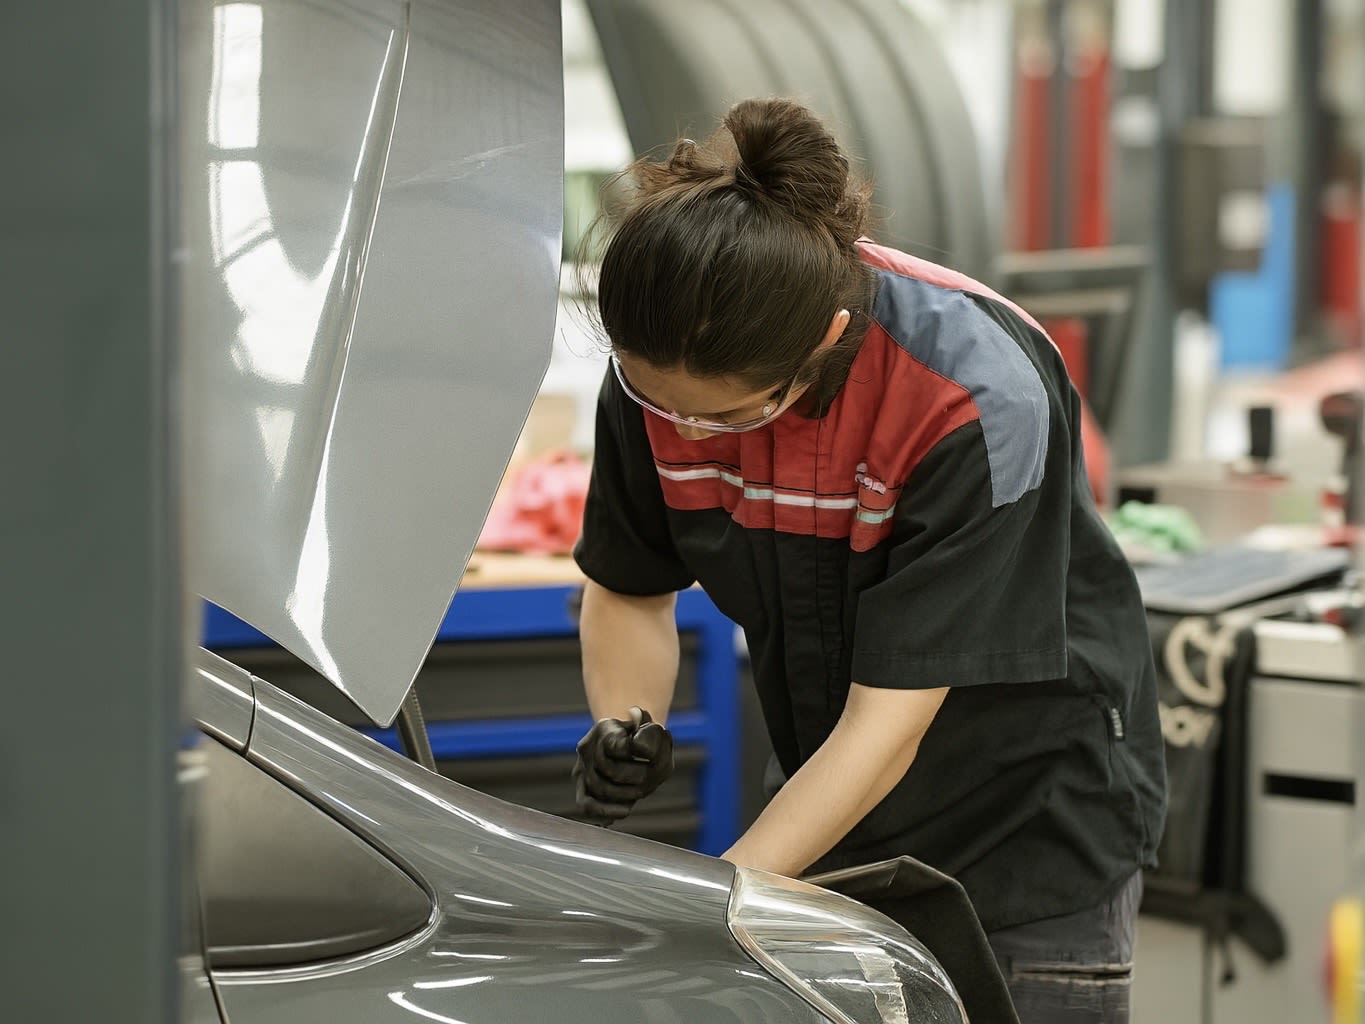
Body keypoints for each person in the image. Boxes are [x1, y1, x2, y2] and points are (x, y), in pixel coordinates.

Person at [569, 96, 1166, 1024]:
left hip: (1024, 824)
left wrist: (719, 904)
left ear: (823, 341)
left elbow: (886, 727)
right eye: (660, 404)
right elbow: (629, 588)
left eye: (725, 415)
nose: (687, 432)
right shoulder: (660, 367)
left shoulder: (972, 395)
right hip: (828, 801)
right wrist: (624, 720)